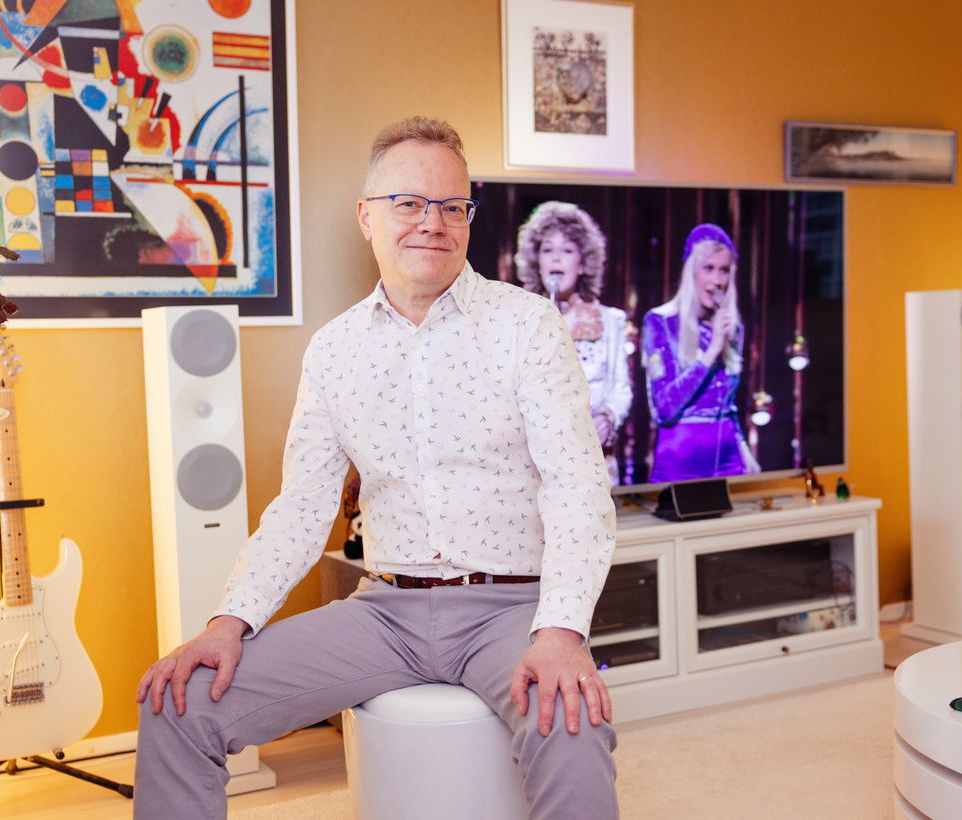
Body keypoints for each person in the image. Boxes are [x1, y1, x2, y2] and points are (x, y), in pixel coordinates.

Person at [133, 117, 619, 819]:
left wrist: (563, 631)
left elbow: (577, 489)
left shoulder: (528, 325)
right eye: (409, 203)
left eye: (453, 206)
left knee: (571, 720)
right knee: (177, 704)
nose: (433, 223)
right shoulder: (334, 352)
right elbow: (301, 508)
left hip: (512, 608)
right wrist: (228, 622)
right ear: (367, 216)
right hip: (385, 611)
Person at [515, 201, 633, 485]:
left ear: (583, 263)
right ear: (536, 261)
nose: (556, 258)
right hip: (535, 464)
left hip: (594, 460)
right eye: (547, 250)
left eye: (567, 250)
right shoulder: (518, 320)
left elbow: (621, 388)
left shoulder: (610, 320)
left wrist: (609, 417)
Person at [641, 223, 759, 483]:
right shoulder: (660, 322)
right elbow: (664, 407)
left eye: (724, 270)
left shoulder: (733, 328)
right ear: (691, 271)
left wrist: (743, 448)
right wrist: (712, 351)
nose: (717, 280)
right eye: (708, 268)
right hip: (681, 457)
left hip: (728, 457)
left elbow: (727, 403)